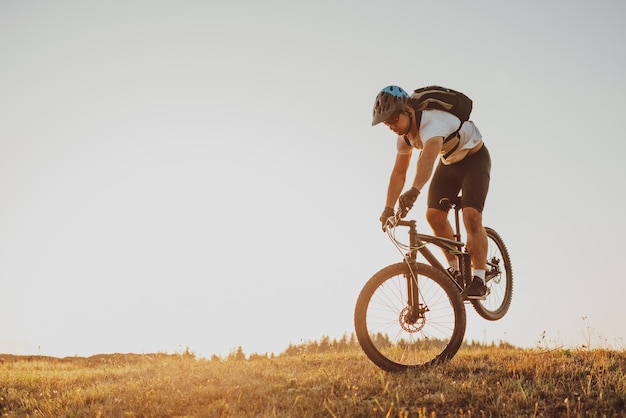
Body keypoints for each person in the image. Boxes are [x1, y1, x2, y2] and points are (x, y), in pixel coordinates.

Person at [372, 85, 491, 299]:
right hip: (449, 162)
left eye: (394, 119)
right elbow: (399, 172)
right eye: (387, 123)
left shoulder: (433, 123)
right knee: (434, 216)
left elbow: (427, 159)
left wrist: (414, 191)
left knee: (471, 215)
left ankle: (480, 279)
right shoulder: (404, 137)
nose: (391, 126)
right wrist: (388, 208)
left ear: (407, 110)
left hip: (475, 160)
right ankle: (455, 270)